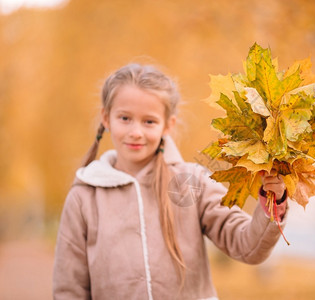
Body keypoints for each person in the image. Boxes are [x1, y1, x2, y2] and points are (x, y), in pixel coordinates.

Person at [52, 63, 288, 300]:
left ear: (168, 125)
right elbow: (68, 289)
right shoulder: (84, 197)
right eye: (125, 118)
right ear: (106, 118)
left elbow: (248, 247)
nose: (136, 132)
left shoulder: (192, 182)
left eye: (149, 122)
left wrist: (273, 202)